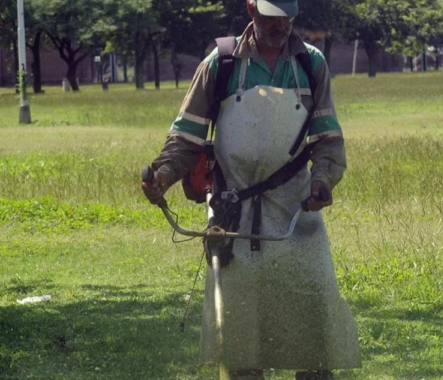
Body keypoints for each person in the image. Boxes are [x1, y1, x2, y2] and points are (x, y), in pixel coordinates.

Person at [142, 0, 360, 378]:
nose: (281, 27)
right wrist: (162, 175)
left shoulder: (311, 64)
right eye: (272, 18)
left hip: (297, 211)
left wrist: (323, 179)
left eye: (287, 18)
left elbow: (327, 139)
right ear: (251, 10)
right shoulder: (220, 64)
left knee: (312, 322)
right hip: (233, 215)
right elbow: (186, 138)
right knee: (240, 334)